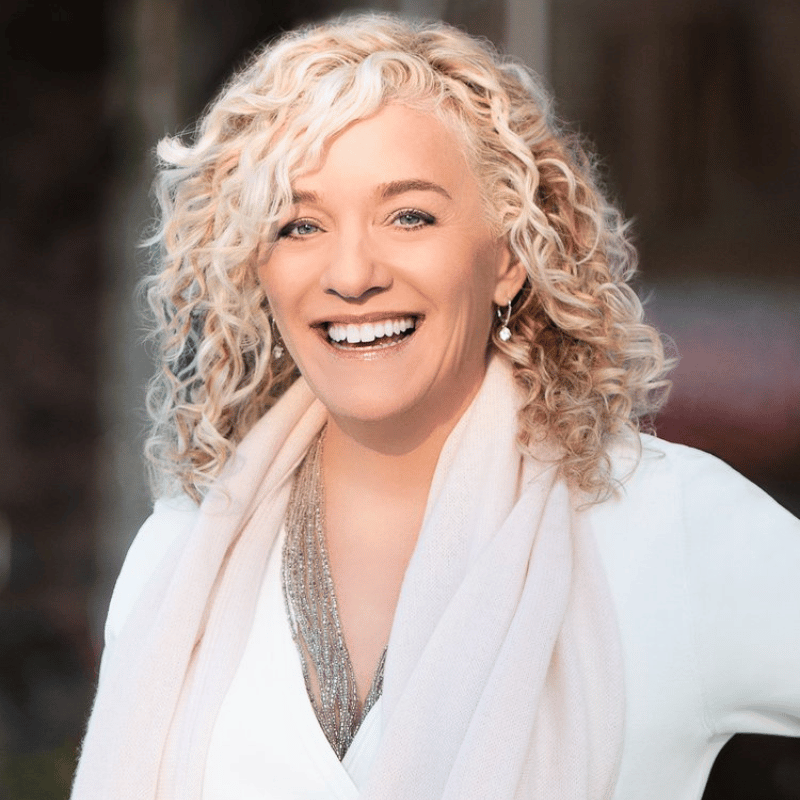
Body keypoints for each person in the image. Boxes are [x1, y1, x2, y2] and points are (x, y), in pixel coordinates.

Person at [72, 12, 800, 800]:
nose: (351, 273)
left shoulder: (671, 527)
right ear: (258, 270)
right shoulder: (178, 555)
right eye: (300, 223)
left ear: (511, 259)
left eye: (409, 215)